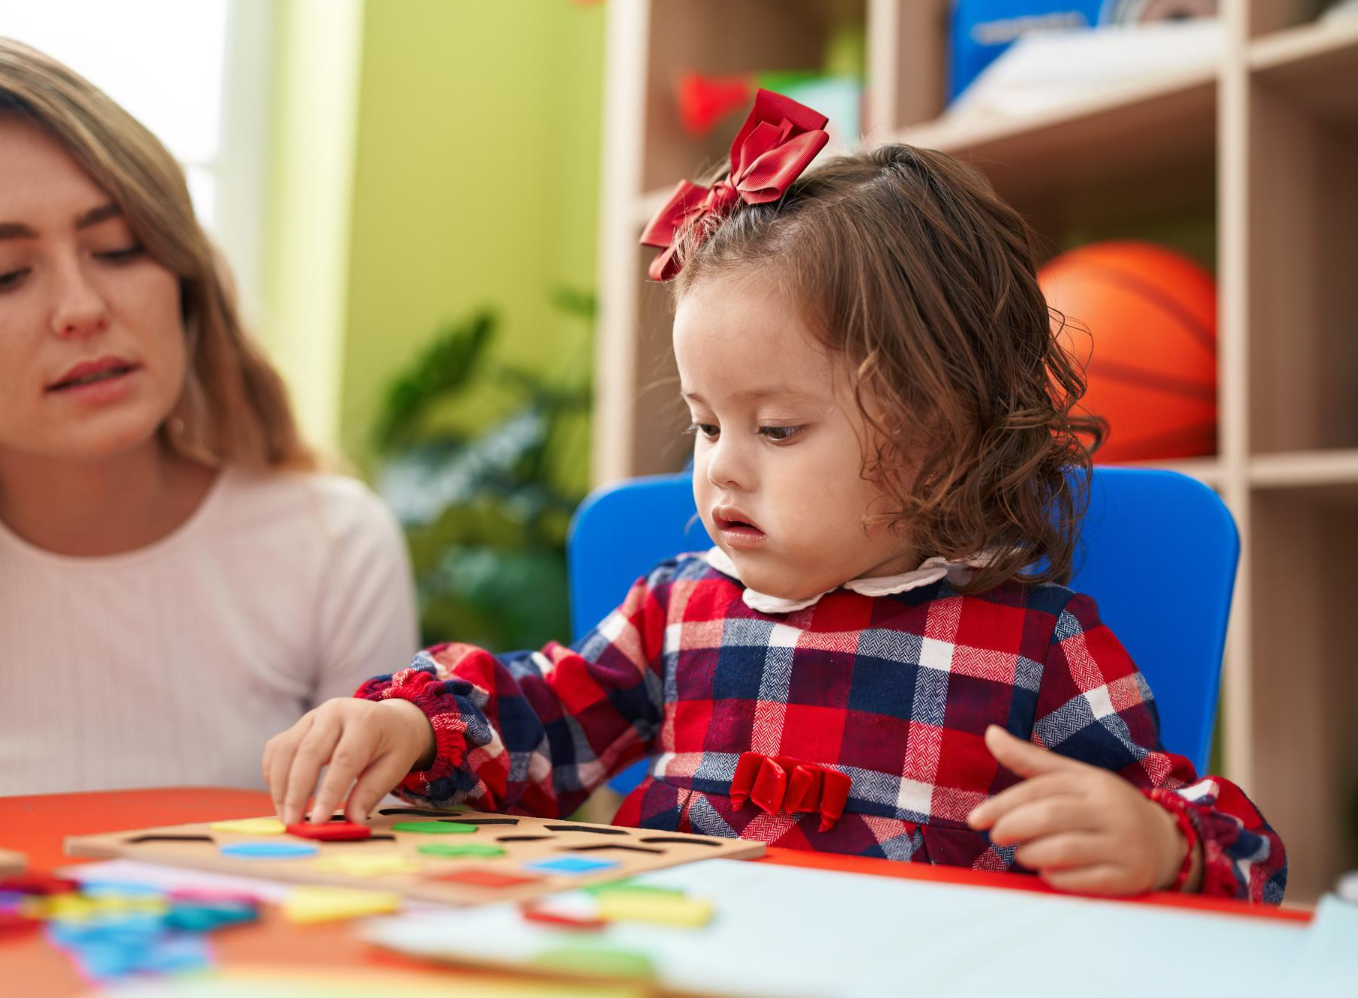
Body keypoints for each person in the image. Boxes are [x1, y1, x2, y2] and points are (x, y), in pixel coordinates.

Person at [262, 92, 1284, 902]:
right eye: (707, 425)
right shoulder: (679, 611)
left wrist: (1161, 842)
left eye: (778, 429)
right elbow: (542, 725)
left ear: (937, 440)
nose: (721, 469)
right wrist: (411, 728)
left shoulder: (1034, 647)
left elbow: (1228, 839)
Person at [0, 35, 417, 804]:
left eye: (119, 249)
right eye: (4, 275)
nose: (83, 309)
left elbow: (380, 877)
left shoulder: (331, 549)